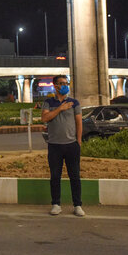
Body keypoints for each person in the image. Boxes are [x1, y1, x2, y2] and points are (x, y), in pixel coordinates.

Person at [41, 75, 84, 217]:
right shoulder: (48, 102)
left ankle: (77, 205)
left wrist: (78, 141)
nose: (64, 85)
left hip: (71, 145)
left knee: (75, 176)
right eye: (61, 83)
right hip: (54, 146)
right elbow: (45, 118)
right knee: (55, 176)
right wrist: (60, 108)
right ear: (55, 86)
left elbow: (79, 123)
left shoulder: (74, 103)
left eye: (66, 83)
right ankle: (56, 204)